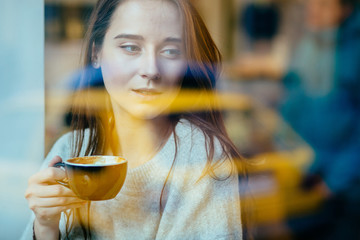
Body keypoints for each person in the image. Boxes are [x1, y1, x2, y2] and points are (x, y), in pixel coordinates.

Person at [22, 0, 246, 239]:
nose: (151, 69)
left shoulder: (202, 159)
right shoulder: (69, 150)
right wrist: (45, 226)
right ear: (97, 53)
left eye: (170, 51)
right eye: (130, 47)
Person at [280, 0, 360, 238]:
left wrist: (337, 180)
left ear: (346, 9)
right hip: (304, 177)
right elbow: (291, 105)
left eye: (325, 5)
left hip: (344, 188)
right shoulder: (307, 44)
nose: (313, 9)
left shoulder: (354, 50)